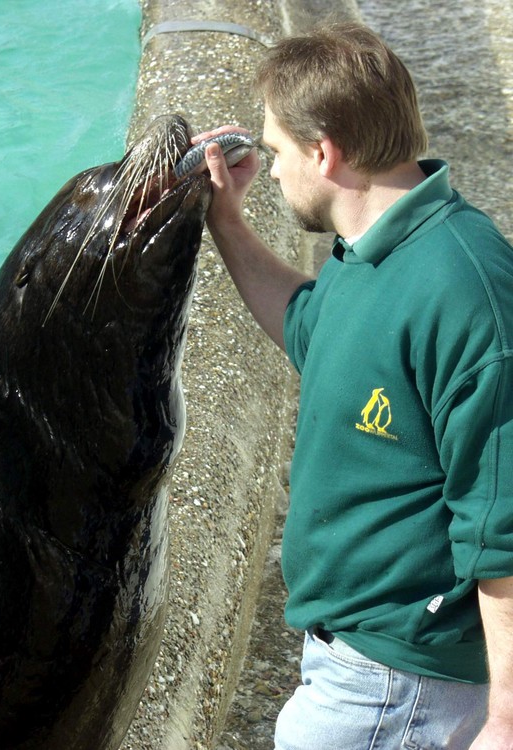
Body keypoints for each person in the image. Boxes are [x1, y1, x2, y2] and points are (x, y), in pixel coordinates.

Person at [195, 21, 513, 749]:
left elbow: (501, 522)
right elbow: (313, 330)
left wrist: (504, 719)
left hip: (400, 682)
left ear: (324, 151)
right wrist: (226, 221)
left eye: (276, 152)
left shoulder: (465, 289)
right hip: (351, 654)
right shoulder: (368, 248)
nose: (271, 170)